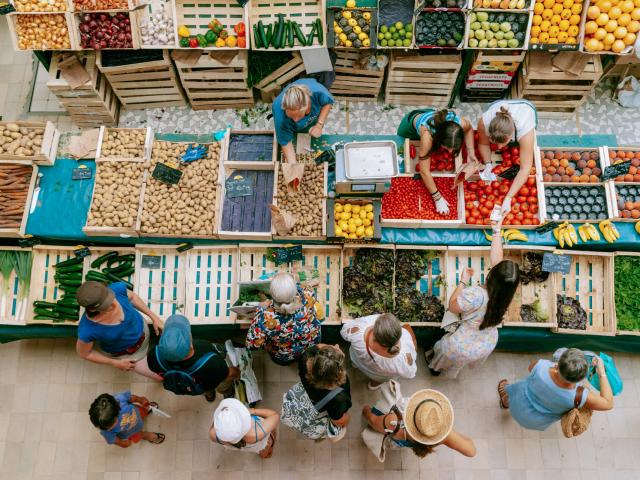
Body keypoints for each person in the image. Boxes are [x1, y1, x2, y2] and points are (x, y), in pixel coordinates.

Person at [425, 217, 519, 378]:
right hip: (485, 343)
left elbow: (453, 306)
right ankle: (449, 371)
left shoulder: (476, 295)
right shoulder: (506, 295)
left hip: (460, 344)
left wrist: (462, 281)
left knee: (444, 355)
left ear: (492, 277)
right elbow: (497, 261)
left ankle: (435, 369)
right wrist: (496, 232)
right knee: (458, 363)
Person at [498, 348, 614, 431]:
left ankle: (505, 401)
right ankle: (506, 401)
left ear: (557, 364)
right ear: (580, 379)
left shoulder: (541, 366)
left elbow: (530, 368)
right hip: (534, 421)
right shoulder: (578, 396)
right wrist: (601, 372)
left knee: (513, 392)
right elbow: (608, 403)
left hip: (518, 401)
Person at [76, 281, 164, 380]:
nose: (113, 304)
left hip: (143, 329)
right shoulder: (87, 329)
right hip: (130, 353)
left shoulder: (117, 289)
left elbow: (133, 297)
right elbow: (85, 353)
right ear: (92, 309)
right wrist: (115, 363)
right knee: (159, 377)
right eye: (106, 305)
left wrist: (154, 317)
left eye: (111, 298)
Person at [397, 108, 477, 214]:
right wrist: (437, 198)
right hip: (411, 126)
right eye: (447, 147)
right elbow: (424, 171)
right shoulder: (427, 136)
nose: (450, 151)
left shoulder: (460, 124)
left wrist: (471, 152)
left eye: (453, 148)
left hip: (434, 119)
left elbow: (469, 129)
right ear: (438, 139)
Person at [362, 388, 476, 460]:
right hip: (411, 442)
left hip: (393, 431)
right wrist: (444, 431)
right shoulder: (443, 437)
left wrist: (366, 410)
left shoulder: (393, 421)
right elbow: (471, 451)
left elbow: (373, 420)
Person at [146, 314, 240, 401]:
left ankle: (209, 395)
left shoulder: (153, 356)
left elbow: (159, 373)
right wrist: (238, 372)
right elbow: (228, 374)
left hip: (189, 384)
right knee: (218, 385)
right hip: (207, 381)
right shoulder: (210, 359)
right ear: (190, 345)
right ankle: (223, 392)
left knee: (201, 387)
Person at [477, 99, 538, 218]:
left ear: (511, 135)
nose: (499, 147)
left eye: (502, 143)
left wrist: (508, 197)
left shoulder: (525, 132)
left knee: (524, 149)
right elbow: (483, 144)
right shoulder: (484, 122)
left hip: (526, 108)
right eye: (494, 142)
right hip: (497, 105)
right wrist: (488, 164)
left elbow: (525, 169)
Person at [246, 273, 321, 365]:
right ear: (294, 291)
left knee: (283, 359)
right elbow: (305, 289)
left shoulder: (263, 316)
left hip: (284, 354)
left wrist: (262, 306)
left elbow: (252, 344)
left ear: (271, 294)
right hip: (310, 345)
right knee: (304, 357)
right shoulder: (308, 296)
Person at [281, 344, 352, 442]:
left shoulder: (305, 358)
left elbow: (318, 347)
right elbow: (338, 420)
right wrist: (347, 419)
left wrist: (330, 353)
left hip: (305, 396)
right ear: (338, 373)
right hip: (323, 408)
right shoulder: (339, 396)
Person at [341, 313, 417, 390]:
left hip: (358, 360)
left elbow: (344, 330)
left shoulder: (358, 333)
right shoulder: (402, 356)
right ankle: (373, 385)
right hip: (377, 375)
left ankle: (355, 365)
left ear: (375, 331)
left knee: (356, 361)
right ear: (399, 335)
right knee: (378, 379)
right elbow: (410, 373)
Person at [273, 79, 334, 164]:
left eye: (298, 116)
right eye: (291, 116)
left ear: (307, 106)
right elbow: (285, 143)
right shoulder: (280, 116)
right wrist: (293, 166)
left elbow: (328, 103)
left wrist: (319, 124)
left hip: (314, 118)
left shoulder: (318, 92)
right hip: (286, 123)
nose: (295, 120)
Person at [210, 398, 280, 459]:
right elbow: (274, 415)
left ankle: (262, 453)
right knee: (266, 445)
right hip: (259, 443)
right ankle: (265, 453)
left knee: (256, 449)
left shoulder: (213, 434)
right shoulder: (254, 434)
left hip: (241, 446)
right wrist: (252, 411)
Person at [89, 391, 165, 447]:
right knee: (138, 435)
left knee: (142, 410)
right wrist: (123, 444)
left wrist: (140, 399)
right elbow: (115, 440)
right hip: (131, 432)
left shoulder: (120, 398)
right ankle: (145, 435)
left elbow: (132, 398)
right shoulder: (105, 430)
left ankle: (146, 410)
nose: (107, 430)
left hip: (136, 412)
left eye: (110, 427)